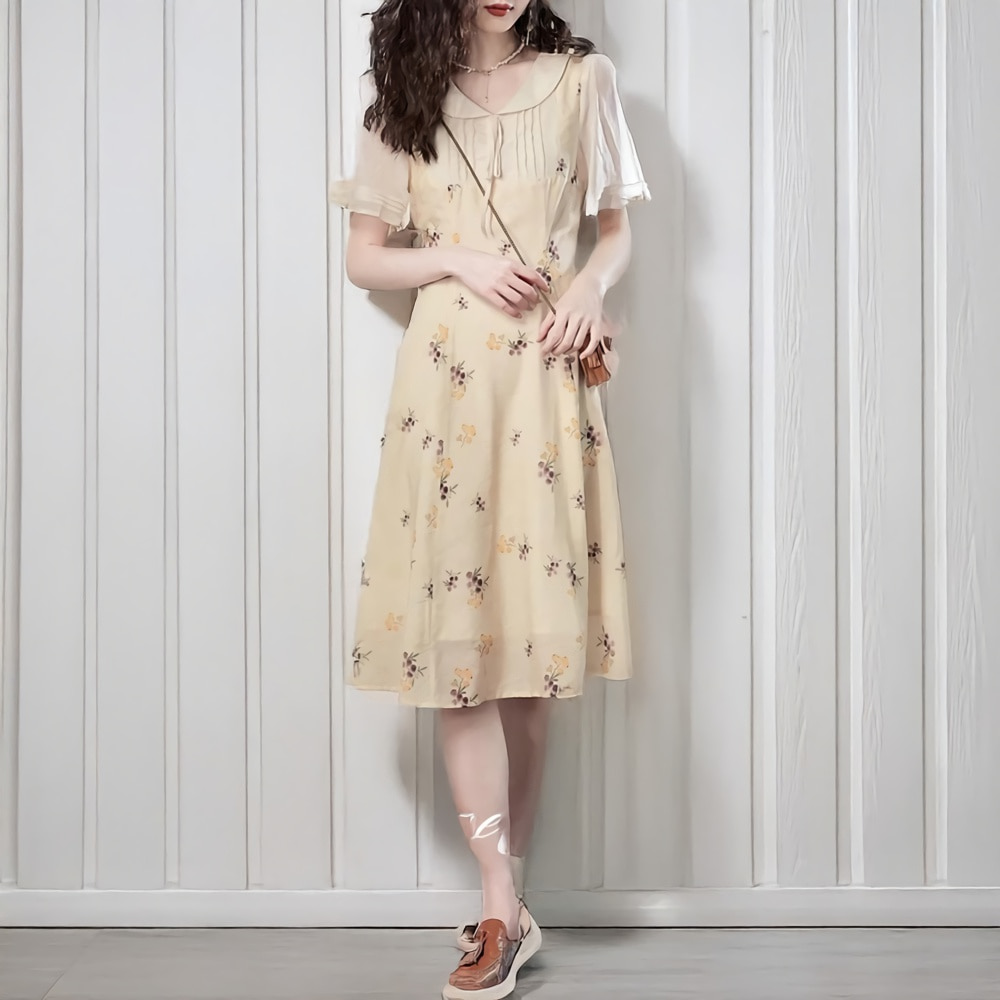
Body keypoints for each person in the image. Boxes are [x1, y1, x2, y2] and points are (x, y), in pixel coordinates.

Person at [329, 1, 649, 996]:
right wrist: (457, 258)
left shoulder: (583, 80)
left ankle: (509, 898)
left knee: (530, 655)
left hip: (545, 377)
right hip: (447, 388)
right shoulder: (404, 93)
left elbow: (614, 232)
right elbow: (364, 255)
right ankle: (500, 900)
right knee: (457, 652)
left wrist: (591, 286)